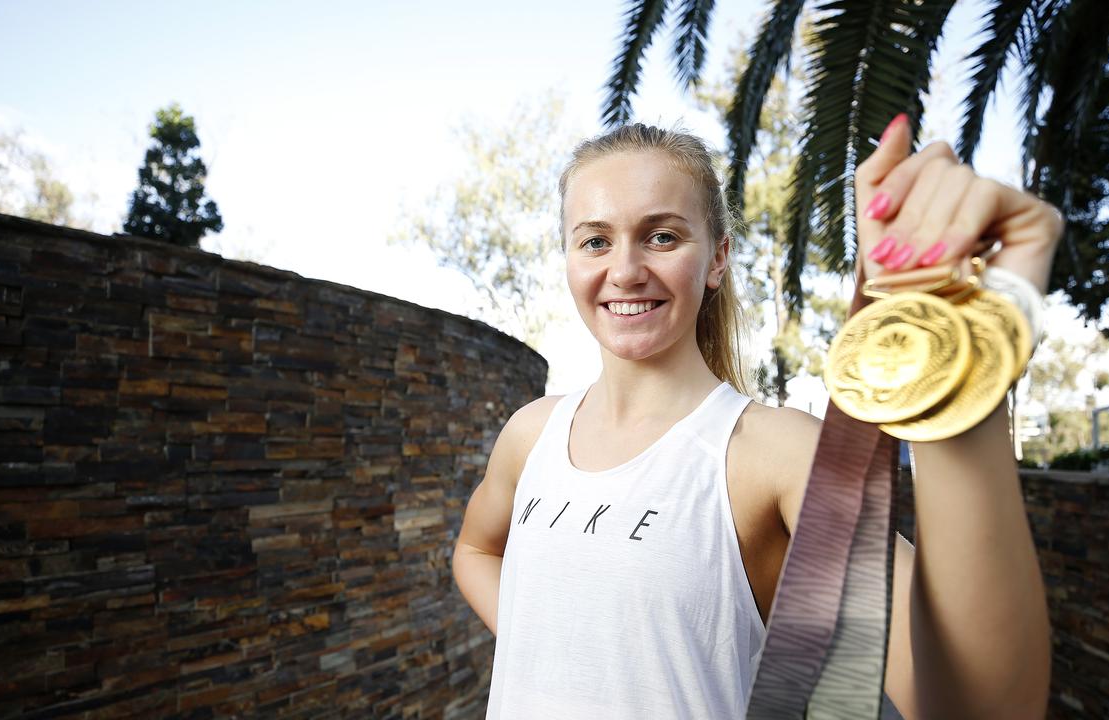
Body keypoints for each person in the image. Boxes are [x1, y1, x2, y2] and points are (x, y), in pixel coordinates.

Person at [452, 117, 1059, 719]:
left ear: (716, 260)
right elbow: (476, 551)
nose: (626, 268)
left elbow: (974, 703)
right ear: (568, 258)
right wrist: (553, 649)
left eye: (662, 237)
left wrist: (957, 367)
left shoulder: (778, 454)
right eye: (594, 241)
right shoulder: (531, 432)